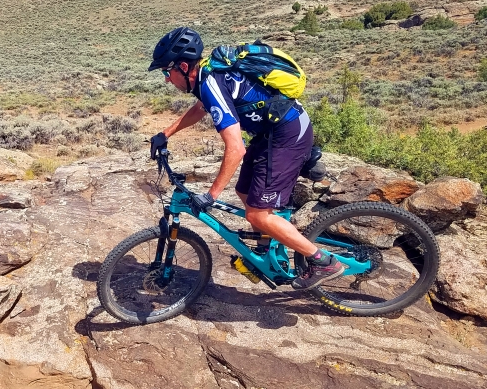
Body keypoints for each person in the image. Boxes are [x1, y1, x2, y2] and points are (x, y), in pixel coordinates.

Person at [147, 27, 343, 290]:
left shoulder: (211, 81)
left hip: (286, 135)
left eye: (166, 72)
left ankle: (323, 262)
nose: (166, 80)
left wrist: (212, 194)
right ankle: (268, 247)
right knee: (244, 192)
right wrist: (165, 133)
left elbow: (236, 148)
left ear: (183, 66)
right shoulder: (207, 75)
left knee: (257, 215)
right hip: (272, 133)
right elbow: (199, 109)